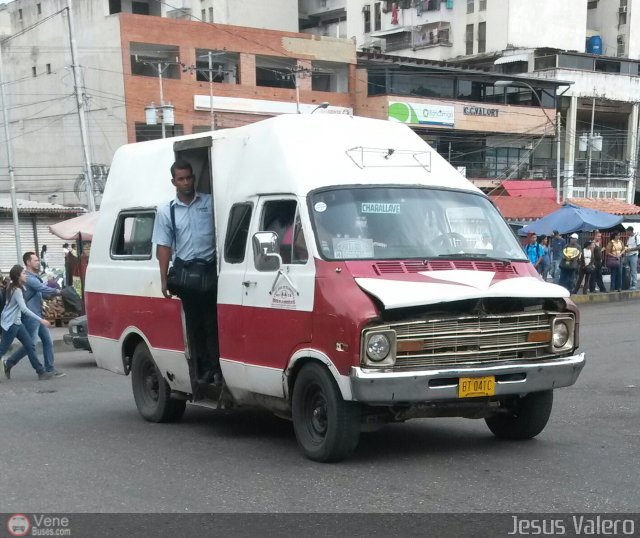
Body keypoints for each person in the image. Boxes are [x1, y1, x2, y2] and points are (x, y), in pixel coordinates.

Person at [152, 159, 220, 386]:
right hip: (187, 277)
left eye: (189, 177)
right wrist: (163, 279)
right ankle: (203, 369)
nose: (186, 182)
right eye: (181, 179)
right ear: (174, 182)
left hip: (210, 272)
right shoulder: (167, 210)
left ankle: (216, 368)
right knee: (194, 324)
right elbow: (163, 245)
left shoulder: (210, 203)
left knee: (213, 322)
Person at [3, 252, 65, 378]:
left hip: (36, 314)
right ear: (28, 262)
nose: (38, 262)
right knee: (29, 345)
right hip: (29, 317)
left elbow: (39, 293)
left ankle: (48, 369)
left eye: (38, 260)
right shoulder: (28, 279)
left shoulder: (30, 279)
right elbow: (40, 291)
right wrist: (58, 291)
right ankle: (10, 362)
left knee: (45, 341)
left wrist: (47, 297)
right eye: (35, 260)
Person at [0, 265, 53, 381]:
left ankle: (41, 372)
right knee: (2, 349)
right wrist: (41, 320)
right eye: (24, 273)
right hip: (10, 324)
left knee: (30, 345)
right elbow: (24, 309)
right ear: (18, 276)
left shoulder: (17, 287)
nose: (26, 275)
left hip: (16, 322)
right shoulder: (17, 290)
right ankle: (39, 371)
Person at [624, 226, 639, 290]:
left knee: (633, 270)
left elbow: (638, 247)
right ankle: (628, 284)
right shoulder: (629, 238)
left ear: (631, 231)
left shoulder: (637, 237)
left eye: (627, 231)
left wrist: (630, 249)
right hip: (628, 255)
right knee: (627, 270)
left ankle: (634, 284)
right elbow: (627, 246)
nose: (627, 233)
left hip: (633, 255)